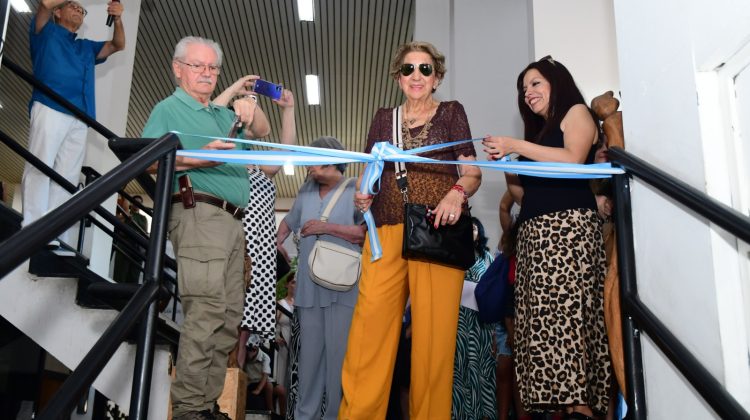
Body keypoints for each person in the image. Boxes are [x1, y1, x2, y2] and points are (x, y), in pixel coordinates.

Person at [341, 41, 482, 420]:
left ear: (436, 78)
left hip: (436, 231)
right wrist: (362, 195)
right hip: (385, 232)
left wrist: (456, 194)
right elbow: (369, 174)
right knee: (367, 335)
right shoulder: (382, 118)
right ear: (398, 78)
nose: (415, 76)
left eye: (424, 69)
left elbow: (471, 173)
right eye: (408, 69)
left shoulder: (452, 112)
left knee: (433, 345)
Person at [141, 36, 269, 420]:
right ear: (178, 69)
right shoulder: (169, 108)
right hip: (199, 215)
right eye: (198, 66)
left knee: (228, 319)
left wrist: (248, 108)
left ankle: (207, 405)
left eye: (212, 68)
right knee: (206, 312)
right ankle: (188, 411)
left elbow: (261, 131)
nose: (207, 74)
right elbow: (145, 161)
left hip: (233, 222)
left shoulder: (219, 113)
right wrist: (197, 160)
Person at [482, 55, 610, 419]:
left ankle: (581, 408)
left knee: (568, 322)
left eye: (535, 83)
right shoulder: (538, 136)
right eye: (524, 89)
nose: (528, 93)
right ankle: (569, 407)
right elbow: (528, 194)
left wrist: (516, 148)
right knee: (545, 326)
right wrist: (510, 168)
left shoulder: (576, 112)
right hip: (536, 238)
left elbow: (572, 159)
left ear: (557, 82)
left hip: (567, 234)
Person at [22, 0, 125, 249]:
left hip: (81, 116)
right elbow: (45, 3)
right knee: (41, 164)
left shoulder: (86, 48)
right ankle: (33, 226)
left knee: (67, 176)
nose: (79, 10)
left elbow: (117, 45)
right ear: (58, 12)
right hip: (50, 106)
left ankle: (57, 235)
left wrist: (118, 19)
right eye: (73, 6)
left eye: (82, 9)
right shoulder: (45, 32)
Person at [276, 136, 366, 420]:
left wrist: (326, 229)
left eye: (314, 161)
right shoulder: (305, 190)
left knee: (339, 364)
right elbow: (288, 224)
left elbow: (364, 233)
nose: (309, 167)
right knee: (308, 364)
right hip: (308, 290)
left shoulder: (355, 188)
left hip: (344, 289)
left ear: (332, 161)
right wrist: (275, 242)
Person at [214, 85, 296, 363]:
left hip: (260, 250)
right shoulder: (223, 156)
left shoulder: (257, 163)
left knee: (244, 326)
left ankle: (233, 379)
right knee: (227, 317)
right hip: (236, 241)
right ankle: (218, 380)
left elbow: (285, 152)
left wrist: (288, 111)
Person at [452, 217, 497, 420]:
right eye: (467, 227)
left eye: (475, 227)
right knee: (458, 372)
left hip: (483, 326)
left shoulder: (488, 259)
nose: (472, 230)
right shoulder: (452, 255)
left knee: (483, 371)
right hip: (458, 325)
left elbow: (496, 292)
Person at [244, 334, 274, 412]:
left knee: (274, 388)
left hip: (261, 381)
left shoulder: (264, 357)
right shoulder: (243, 355)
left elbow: (265, 375)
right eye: (247, 349)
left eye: (252, 350)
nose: (249, 352)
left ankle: (271, 410)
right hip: (249, 382)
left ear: (256, 348)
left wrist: (258, 389)